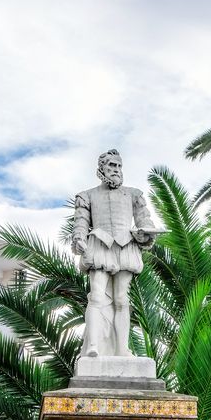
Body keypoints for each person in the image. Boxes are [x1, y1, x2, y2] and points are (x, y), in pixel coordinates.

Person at [72, 149, 157, 357]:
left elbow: (144, 219)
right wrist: (79, 237)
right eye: (111, 166)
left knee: (121, 299)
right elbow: (81, 222)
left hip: (125, 245)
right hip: (100, 244)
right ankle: (93, 346)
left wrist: (145, 233)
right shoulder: (88, 195)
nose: (116, 170)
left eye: (118, 166)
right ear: (101, 169)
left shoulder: (134, 194)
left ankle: (122, 349)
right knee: (97, 297)